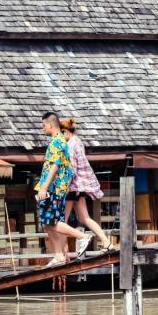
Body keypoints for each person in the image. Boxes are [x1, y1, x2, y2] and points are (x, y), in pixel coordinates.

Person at [35, 111, 92, 266]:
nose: (43, 129)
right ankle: (59, 255)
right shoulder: (58, 141)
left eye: (43, 125)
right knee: (47, 223)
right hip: (54, 188)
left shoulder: (56, 142)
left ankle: (82, 236)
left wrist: (44, 187)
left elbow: (55, 165)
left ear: (50, 124)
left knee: (53, 221)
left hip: (53, 188)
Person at [60, 117, 115, 255]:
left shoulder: (70, 145)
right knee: (84, 218)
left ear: (65, 131)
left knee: (61, 222)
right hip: (80, 187)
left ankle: (63, 253)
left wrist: (63, 187)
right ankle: (107, 242)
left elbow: (70, 168)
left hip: (71, 187)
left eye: (61, 134)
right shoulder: (78, 141)